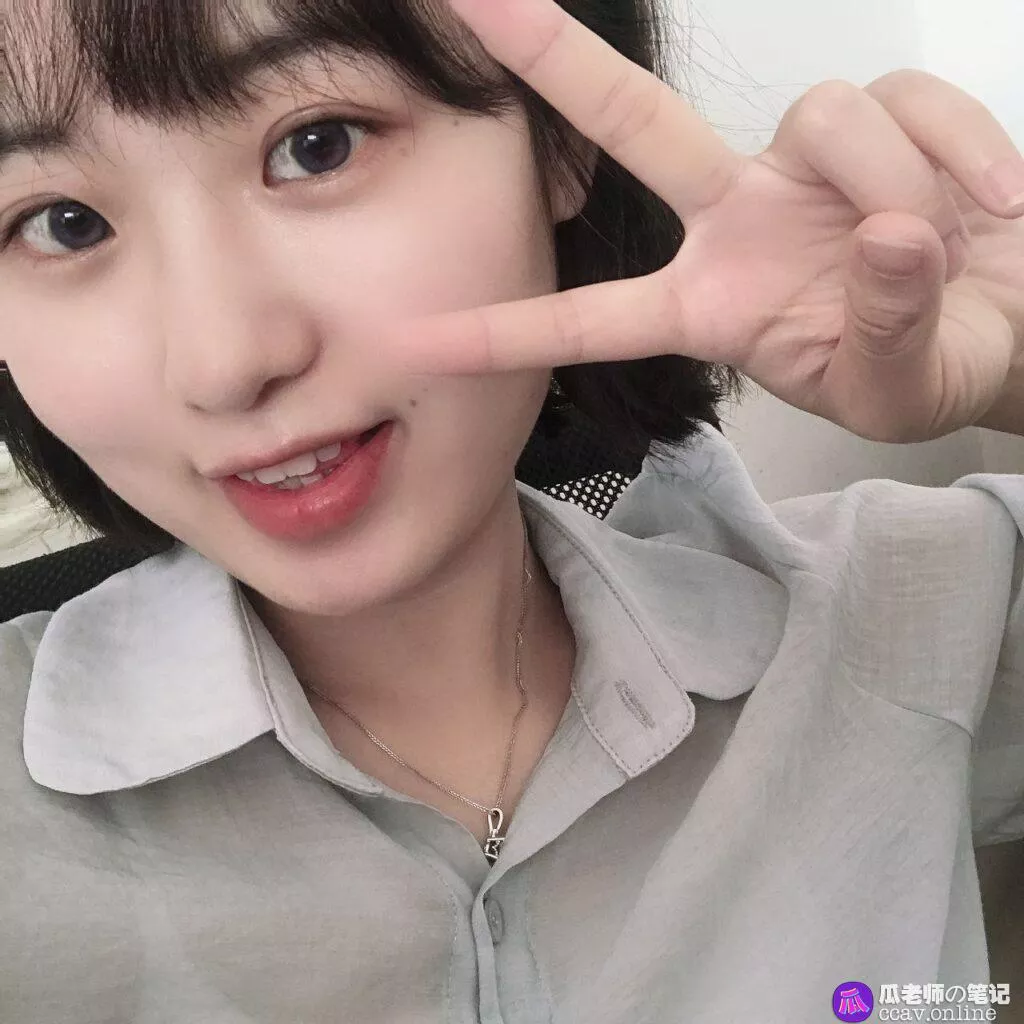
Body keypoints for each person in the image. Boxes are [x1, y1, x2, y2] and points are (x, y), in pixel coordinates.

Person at [0, 0, 1022, 1019]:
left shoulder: (898, 628)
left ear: (558, 141)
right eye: (62, 224)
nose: (222, 363)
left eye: (318, 144)